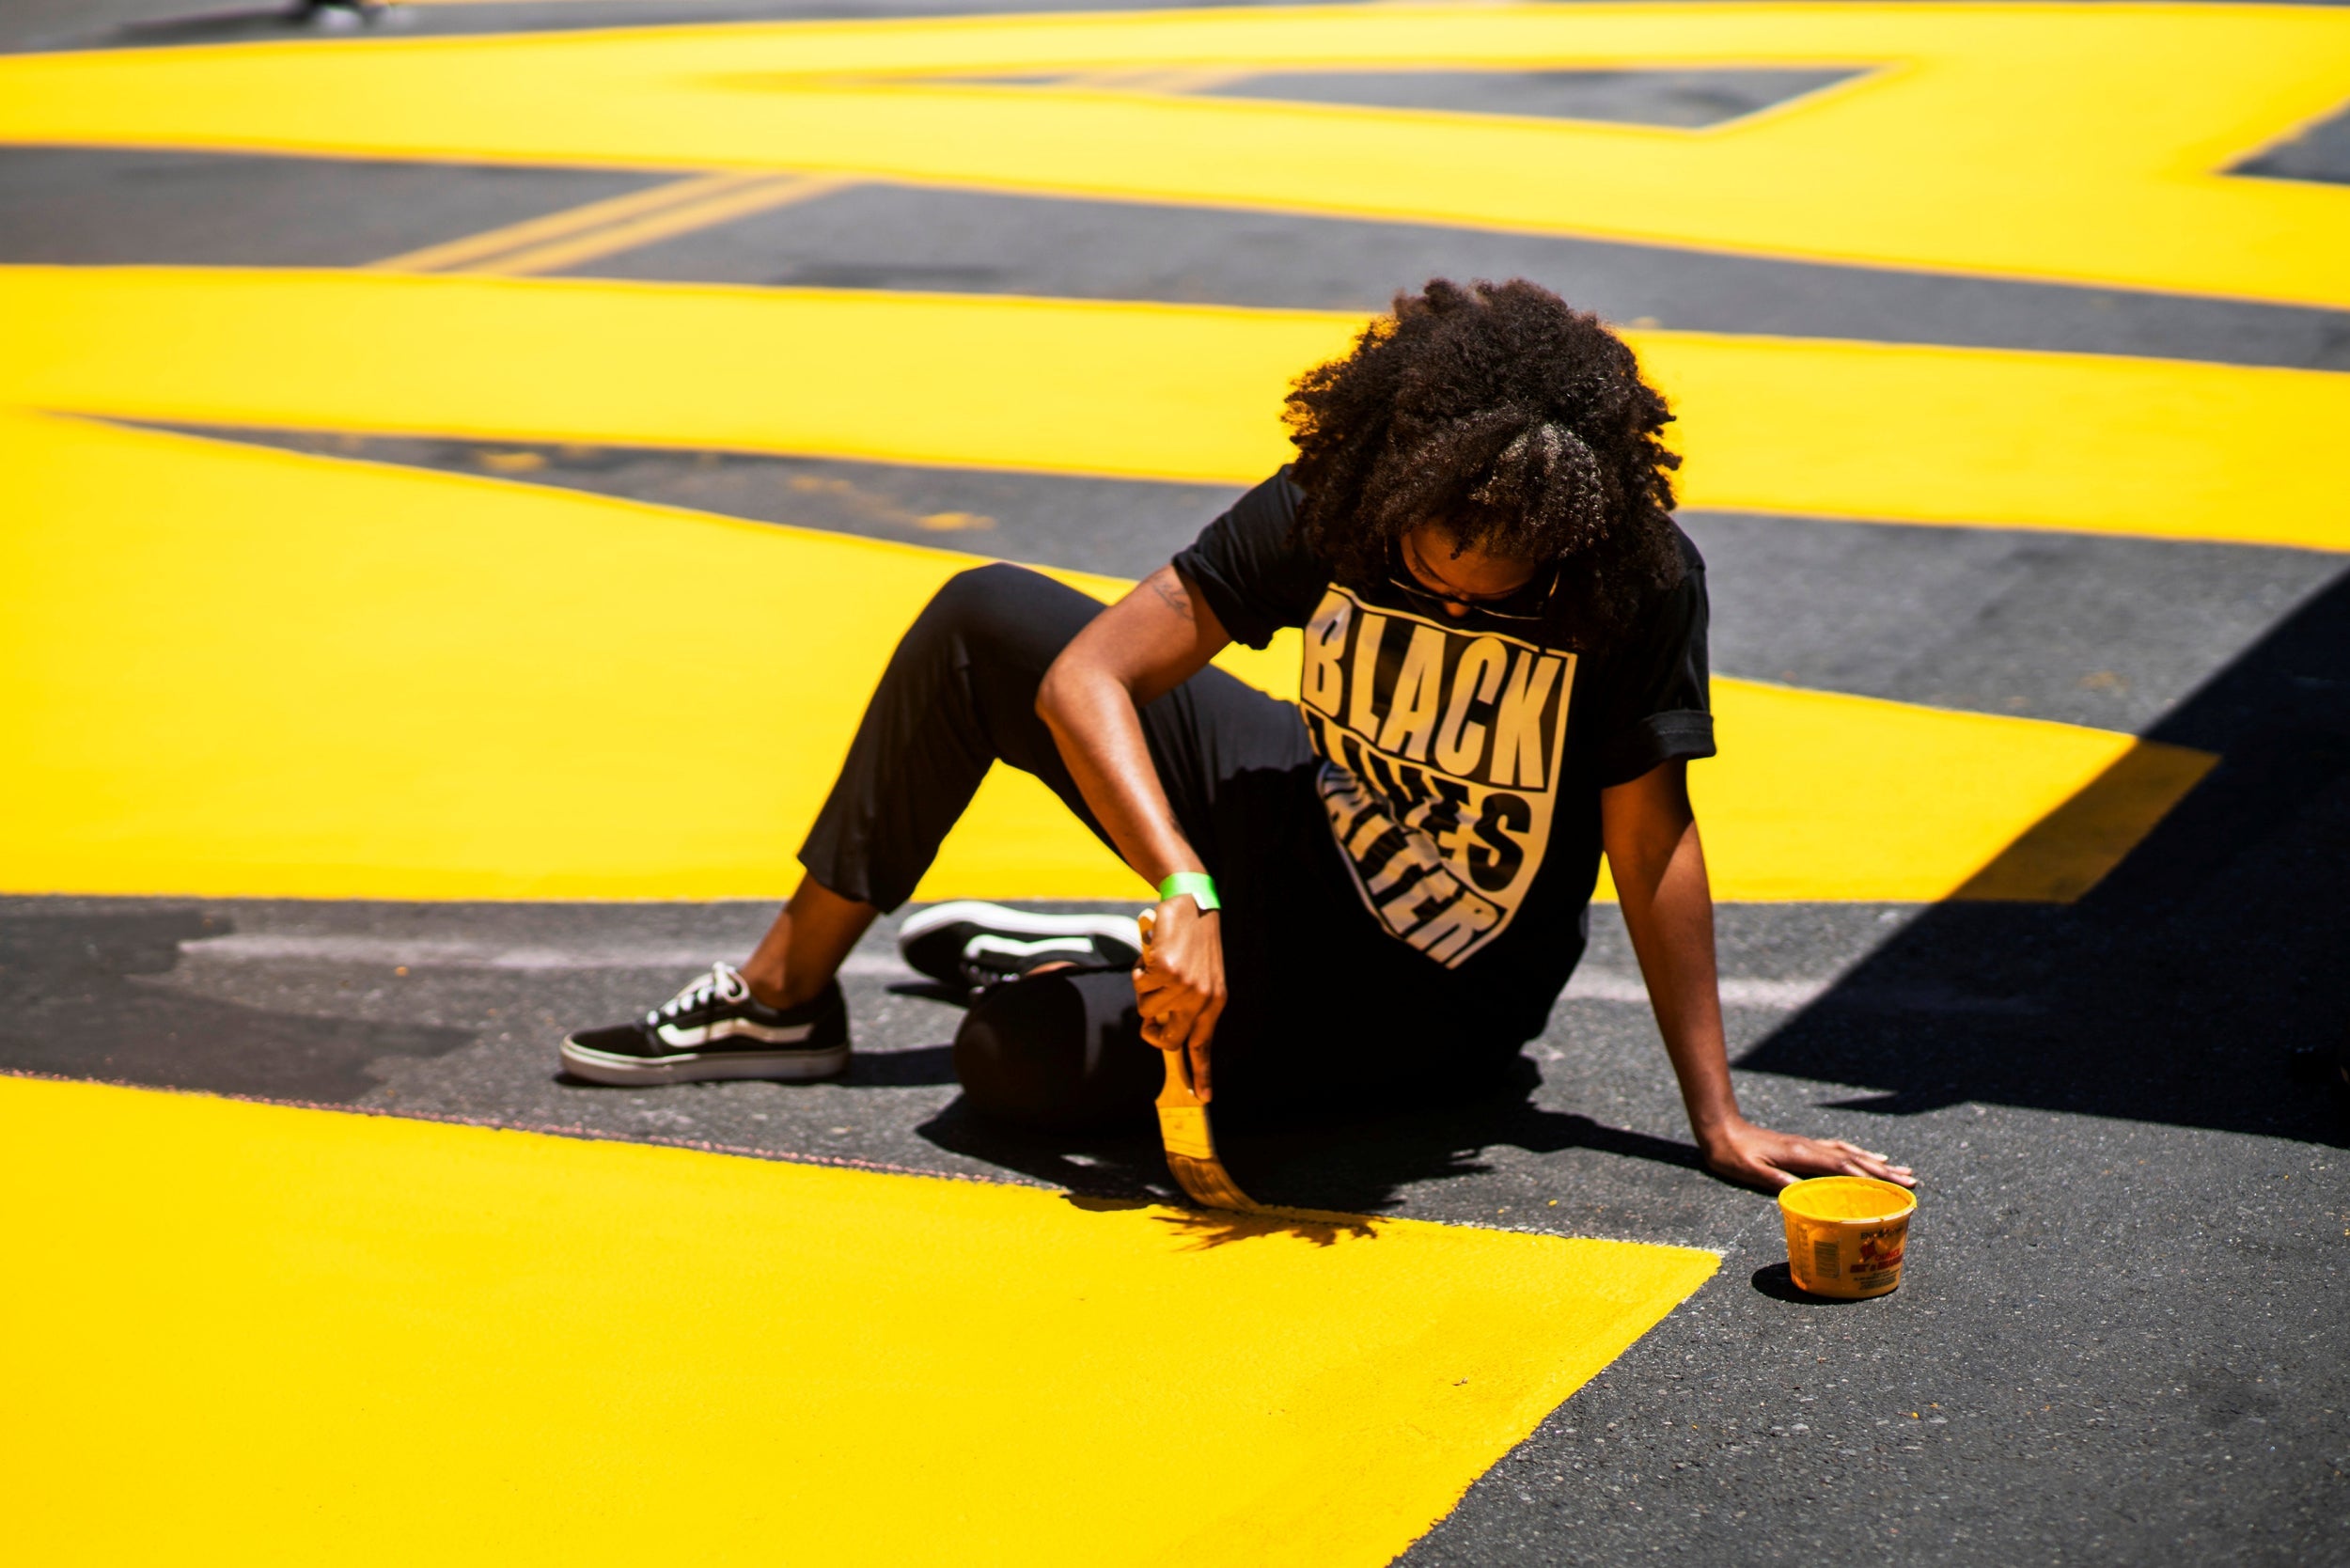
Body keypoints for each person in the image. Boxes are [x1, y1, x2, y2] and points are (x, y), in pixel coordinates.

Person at [560, 278, 1914, 1193]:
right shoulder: (1344, 497)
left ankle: (1100, 961)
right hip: (1302, 823)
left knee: (1014, 1063)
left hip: (1427, 987)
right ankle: (783, 1001)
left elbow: (1653, 840)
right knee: (983, 618)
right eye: (1430, 564)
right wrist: (1182, 883)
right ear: (1401, 482)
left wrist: (1716, 1116)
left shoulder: (1635, 581)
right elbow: (1093, 672)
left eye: (1484, 590)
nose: (1446, 593)